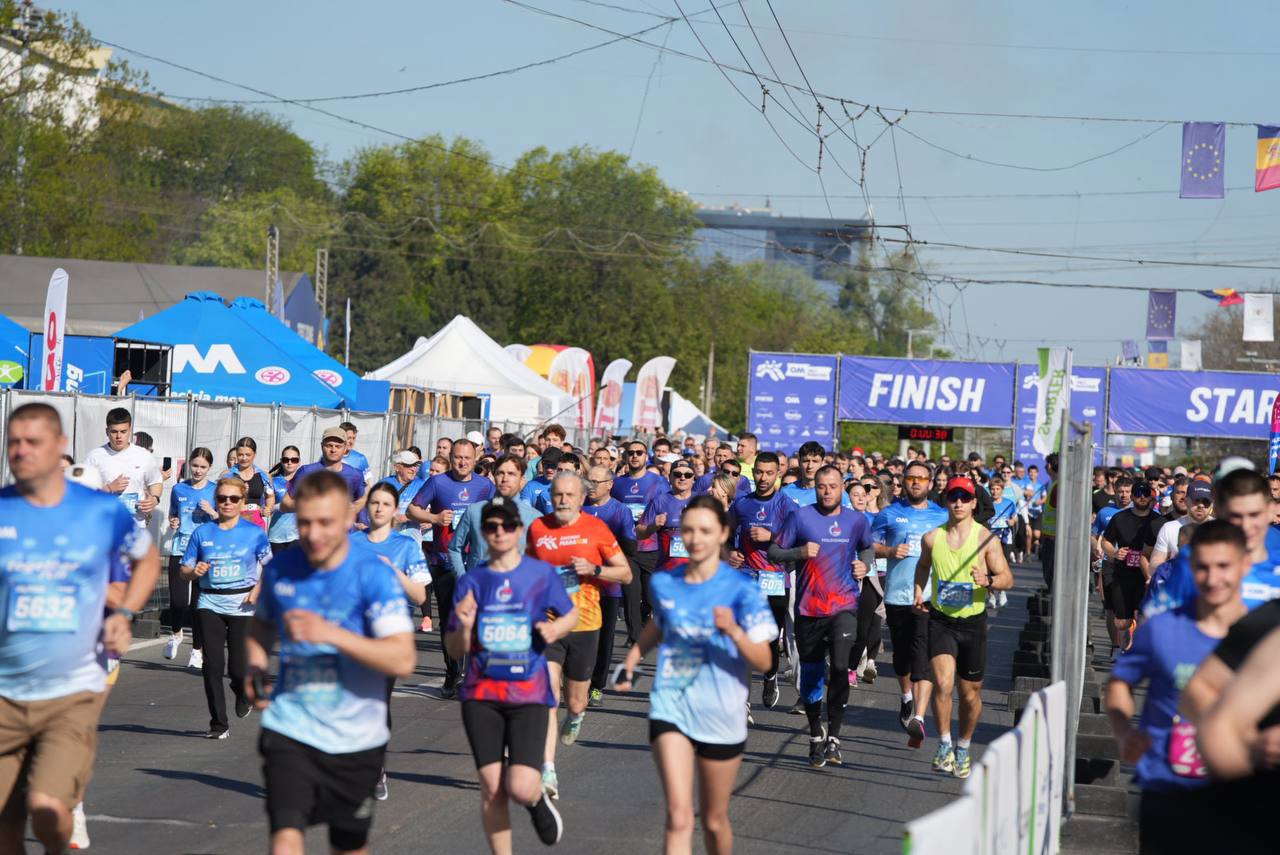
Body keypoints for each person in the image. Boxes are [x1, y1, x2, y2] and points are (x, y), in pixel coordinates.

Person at [0, 403, 160, 855]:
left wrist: (124, 613)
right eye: (14, 442)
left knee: (48, 811)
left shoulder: (99, 511)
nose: (21, 451)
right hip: (6, 691)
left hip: (70, 692)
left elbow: (147, 559)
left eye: (33, 442)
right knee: (5, 823)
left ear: (60, 446)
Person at [245, 470, 416, 855]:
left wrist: (332, 634)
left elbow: (403, 659)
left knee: (347, 846)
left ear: (347, 519)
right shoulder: (281, 570)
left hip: (357, 738)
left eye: (325, 523)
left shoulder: (373, 575)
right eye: (304, 522)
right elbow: (262, 625)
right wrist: (254, 667)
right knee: (285, 839)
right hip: (291, 727)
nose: (313, 533)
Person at [614, 495, 775, 855]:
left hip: (722, 714)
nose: (695, 538)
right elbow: (661, 622)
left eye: (704, 530)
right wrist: (634, 657)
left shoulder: (743, 591)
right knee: (679, 816)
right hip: (671, 706)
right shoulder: (666, 583)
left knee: (714, 821)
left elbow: (765, 661)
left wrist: (733, 630)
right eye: (688, 530)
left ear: (723, 534)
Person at [1106, 520, 1248, 853]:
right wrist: (1124, 730)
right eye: (1202, 567)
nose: (1212, 578)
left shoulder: (1258, 635)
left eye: (1223, 567)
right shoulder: (1162, 630)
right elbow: (1120, 683)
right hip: (1164, 779)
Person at [445, 500, 576, 851]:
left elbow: (570, 614)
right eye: (491, 526)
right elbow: (455, 648)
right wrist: (464, 627)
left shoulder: (540, 574)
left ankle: (534, 799)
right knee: (492, 789)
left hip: (528, 694)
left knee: (519, 786)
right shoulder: (472, 581)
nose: (499, 532)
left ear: (519, 530)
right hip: (481, 695)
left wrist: (554, 629)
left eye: (506, 526)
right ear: (483, 533)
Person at [525, 472, 630, 799]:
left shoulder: (596, 529)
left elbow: (625, 574)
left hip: (585, 624)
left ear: (581, 498)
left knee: (575, 699)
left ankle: (576, 714)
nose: (563, 500)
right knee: (547, 696)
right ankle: (547, 770)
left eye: (569, 495)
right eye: (558, 494)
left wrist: (594, 569)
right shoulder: (538, 528)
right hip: (548, 623)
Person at [769, 466, 874, 767]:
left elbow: (867, 548)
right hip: (809, 608)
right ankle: (816, 733)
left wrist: (865, 565)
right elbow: (774, 552)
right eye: (821, 486)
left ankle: (835, 739)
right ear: (815, 488)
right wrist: (799, 553)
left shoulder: (856, 520)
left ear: (842, 487)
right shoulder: (800, 517)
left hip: (844, 605)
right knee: (812, 675)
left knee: (840, 667)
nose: (827, 491)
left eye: (832, 486)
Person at [913, 475, 1013, 779]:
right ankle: (944, 744)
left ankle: (964, 747)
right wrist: (918, 590)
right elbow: (923, 566)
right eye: (953, 497)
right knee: (943, 684)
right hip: (941, 621)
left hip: (973, 624)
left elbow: (1007, 578)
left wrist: (988, 580)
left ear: (973, 503)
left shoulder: (986, 540)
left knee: (970, 694)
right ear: (946, 501)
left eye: (965, 498)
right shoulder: (932, 538)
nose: (958, 502)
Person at [351, 481, 432, 801]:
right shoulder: (351, 542)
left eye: (386, 504)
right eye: (374, 503)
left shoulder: (406, 545)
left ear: (395, 510)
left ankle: (375, 769)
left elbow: (420, 595)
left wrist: (392, 572)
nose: (379, 508)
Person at [181, 476, 271, 739]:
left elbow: (272, 567)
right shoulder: (202, 533)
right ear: (216, 501)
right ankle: (218, 724)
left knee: (238, 669)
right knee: (212, 666)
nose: (227, 503)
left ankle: (243, 692)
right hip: (209, 602)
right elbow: (184, 570)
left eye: (233, 498)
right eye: (222, 498)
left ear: (242, 502)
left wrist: (258, 588)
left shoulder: (254, 533)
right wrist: (194, 572)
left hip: (243, 605)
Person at [409, 438, 496, 698]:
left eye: (467, 458)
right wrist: (434, 518)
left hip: (475, 561)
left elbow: (496, 516)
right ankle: (452, 673)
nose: (462, 462)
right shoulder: (438, 482)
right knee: (449, 620)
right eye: (458, 457)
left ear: (475, 458)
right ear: (451, 458)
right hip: (444, 560)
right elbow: (413, 510)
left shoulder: (484, 486)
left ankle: (473, 673)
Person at [872, 460, 948, 748]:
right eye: (911, 478)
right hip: (897, 595)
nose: (916, 482)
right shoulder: (889, 513)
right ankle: (906, 698)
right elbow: (870, 544)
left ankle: (919, 716)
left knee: (923, 657)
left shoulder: (941, 515)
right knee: (902, 657)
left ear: (930, 483)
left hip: (928, 596)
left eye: (922, 478)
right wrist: (890, 550)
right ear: (903, 481)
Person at [728, 451, 791, 708]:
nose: (763, 478)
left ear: (778, 474)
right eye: (759, 472)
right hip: (746, 577)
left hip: (776, 579)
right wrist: (728, 552)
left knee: (769, 639)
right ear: (752, 472)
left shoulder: (787, 505)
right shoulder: (742, 504)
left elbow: (800, 540)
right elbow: (724, 533)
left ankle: (770, 675)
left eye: (769, 473)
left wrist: (772, 536)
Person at [580, 464, 637, 709]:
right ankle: (577, 680)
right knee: (579, 635)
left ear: (610, 484)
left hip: (608, 585)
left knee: (604, 637)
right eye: (588, 481)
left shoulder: (620, 511)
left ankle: (597, 685)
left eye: (596, 482)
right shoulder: (579, 507)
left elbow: (631, 547)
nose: (591, 486)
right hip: (580, 584)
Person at [164, 447, 216, 664]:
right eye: (195, 465)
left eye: (203, 467)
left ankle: (197, 650)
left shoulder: (215, 490)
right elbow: (173, 514)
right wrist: (173, 521)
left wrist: (212, 512)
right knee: (178, 601)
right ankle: (176, 633)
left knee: (198, 604)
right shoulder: (178, 489)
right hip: (181, 547)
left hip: (204, 551)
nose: (198, 470)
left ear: (209, 468)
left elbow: (225, 519)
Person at [1100, 481, 1164, 654]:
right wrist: (1114, 552)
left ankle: (1131, 650)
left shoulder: (1158, 520)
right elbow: (1105, 541)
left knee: (1143, 614)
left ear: (1151, 497)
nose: (1142, 497)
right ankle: (1125, 639)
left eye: (1146, 494)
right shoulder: (1120, 518)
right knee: (1122, 621)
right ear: (1133, 497)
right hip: (1123, 573)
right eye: (1138, 494)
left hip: (1146, 574)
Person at [449, 455, 540, 575]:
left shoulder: (534, 518)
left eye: (511, 474)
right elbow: (454, 548)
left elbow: (541, 558)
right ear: (494, 476)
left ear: (522, 479)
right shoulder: (474, 511)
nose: (505, 479)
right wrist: (463, 579)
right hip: (480, 583)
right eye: (500, 473)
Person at [612, 440, 667, 640]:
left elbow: (666, 508)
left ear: (646, 456)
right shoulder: (618, 483)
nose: (635, 456)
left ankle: (644, 619)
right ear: (626, 456)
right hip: (627, 547)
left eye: (639, 452)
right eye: (631, 452)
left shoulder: (659, 482)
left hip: (651, 546)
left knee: (650, 598)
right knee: (631, 595)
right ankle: (635, 637)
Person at [84, 406, 163, 526]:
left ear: (130, 430)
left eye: (123, 431)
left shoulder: (144, 455)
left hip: (135, 526)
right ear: (107, 431)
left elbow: (155, 482)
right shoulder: (94, 457)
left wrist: (155, 499)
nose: (118, 436)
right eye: (114, 432)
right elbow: (83, 493)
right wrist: (109, 488)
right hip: (105, 526)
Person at [283, 427, 367, 512]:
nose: (333, 450)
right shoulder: (306, 472)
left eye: (338, 446)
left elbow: (363, 499)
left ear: (345, 448)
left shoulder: (355, 474)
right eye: (329, 445)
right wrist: (311, 505)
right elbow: (285, 503)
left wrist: (354, 508)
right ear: (322, 446)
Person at [637, 459, 698, 575]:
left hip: (696, 572)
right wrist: (652, 527)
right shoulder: (659, 501)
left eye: (688, 475)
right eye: (678, 474)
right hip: (666, 571)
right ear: (670, 477)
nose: (683, 478)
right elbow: (639, 532)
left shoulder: (702, 501)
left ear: (693, 478)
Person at [1149, 480, 1214, 568]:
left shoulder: (1222, 530)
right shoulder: (1169, 528)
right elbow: (1154, 564)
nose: (1201, 505)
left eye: (1206, 502)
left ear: (1212, 504)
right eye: (1196, 500)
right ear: (1186, 501)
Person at [224, 436, 275, 530]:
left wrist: (268, 509)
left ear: (254, 455)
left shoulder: (264, 476)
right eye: (240, 454)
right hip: (233, 524)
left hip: (256, 525)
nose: (244, 458)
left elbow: (270, 496)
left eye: (248, 455)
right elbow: (219, 499)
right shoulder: (227, 475)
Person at [268, 446, 303, 555]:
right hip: (276, 536)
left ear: (299, 462)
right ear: (281, 461)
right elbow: (266, 507)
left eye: (294, 460)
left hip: (298, 536)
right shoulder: (273, 481)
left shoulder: (305, 481)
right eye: (286, 459)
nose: (289, 463)